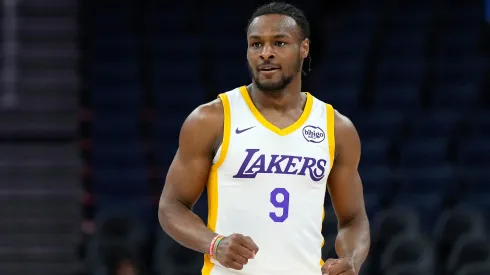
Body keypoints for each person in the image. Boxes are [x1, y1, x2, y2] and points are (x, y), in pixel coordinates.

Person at [158, 2, 370, 275]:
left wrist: (351, 259)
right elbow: (171, 207)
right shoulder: (211, 119)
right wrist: (214, 243)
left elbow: (353, 219)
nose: (266, 53)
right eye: (256, 44)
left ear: (303, 48)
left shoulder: (336, 128)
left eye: (279, 43)